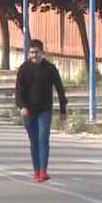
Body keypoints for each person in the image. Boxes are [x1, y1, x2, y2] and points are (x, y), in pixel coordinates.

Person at [14, 39, 67, 183]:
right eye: (31, 52)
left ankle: (43, 170)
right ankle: (36, 170)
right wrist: (22, 106)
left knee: (43, 137)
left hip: (45, 110)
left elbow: (60, 89)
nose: (34, 55)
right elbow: (19, 91)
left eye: (36, 52)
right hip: (29, 111)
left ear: (42, 53)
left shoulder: (50, 69)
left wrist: (63, 110)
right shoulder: (24, 69)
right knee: (34, 141)